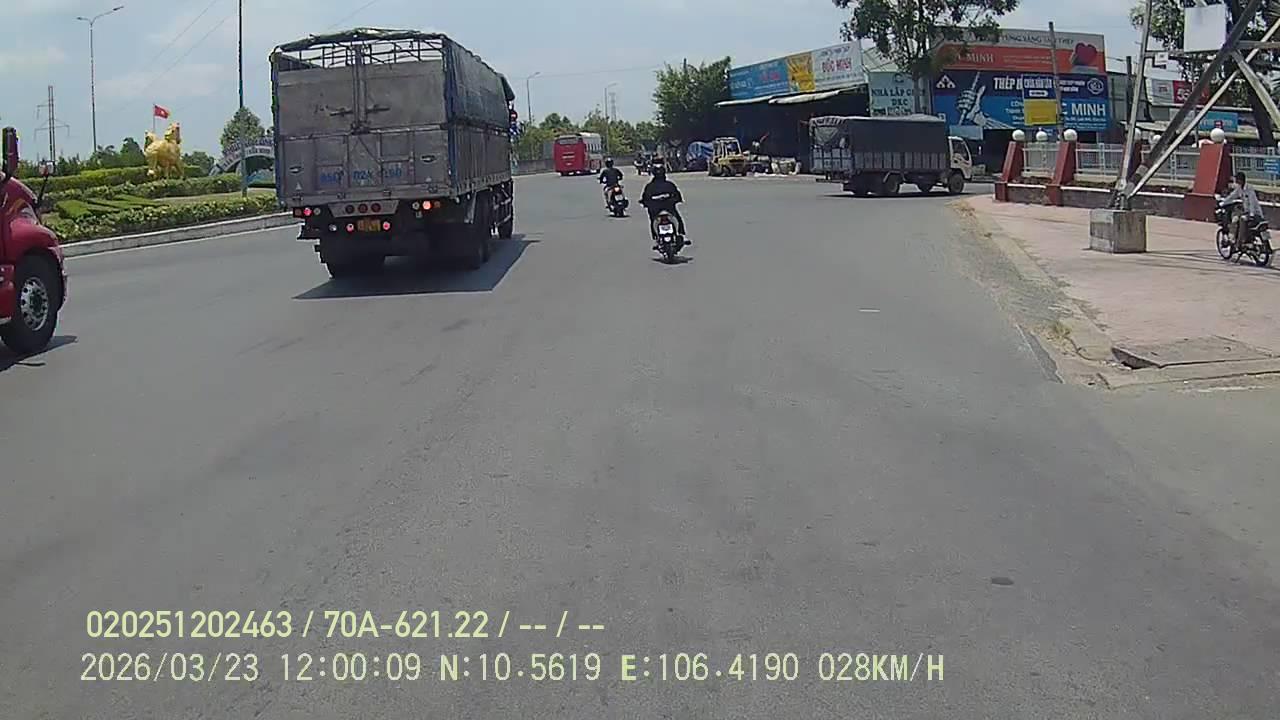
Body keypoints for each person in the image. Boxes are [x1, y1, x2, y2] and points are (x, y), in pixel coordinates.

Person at [640, 158, 688, 247]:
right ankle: (680, 234)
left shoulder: (650, 186)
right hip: (664, 208)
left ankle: (658, 237)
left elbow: (644, 198)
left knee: (656, 219)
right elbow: (677, 195)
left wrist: (645, 203)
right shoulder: (667, 185)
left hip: (660, 209)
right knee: (676, 218)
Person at [1222, 171, 1263, 248]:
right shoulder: (1239, 188)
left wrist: (1251, 215)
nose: (1236, 181)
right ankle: (1233, 238)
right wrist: (1223, 202)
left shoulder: (1249, 189)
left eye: (1237, 179)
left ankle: (1240, 242)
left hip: (1255, 213)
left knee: (1242, 220)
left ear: (1241, 180)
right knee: (1235, 219)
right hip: (1247, 212)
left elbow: (1252, 202)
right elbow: (1232, 196)